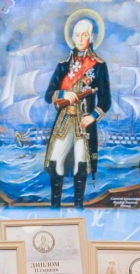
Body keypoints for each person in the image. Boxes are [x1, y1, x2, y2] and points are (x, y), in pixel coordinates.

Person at [44, 18, 111, 208]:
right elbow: (49, 95)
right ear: (72, 37)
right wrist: (64, 94)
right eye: (78, 35)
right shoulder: (63, 65)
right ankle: (54, 209)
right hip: (64, 121)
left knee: (80, 165)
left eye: (85, 35)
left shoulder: (98, 65)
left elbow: (105, 100)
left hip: (84, 125)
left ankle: (79, 209)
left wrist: (92, 117)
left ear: (91, 37)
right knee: (55, 163)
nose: (81, 39)